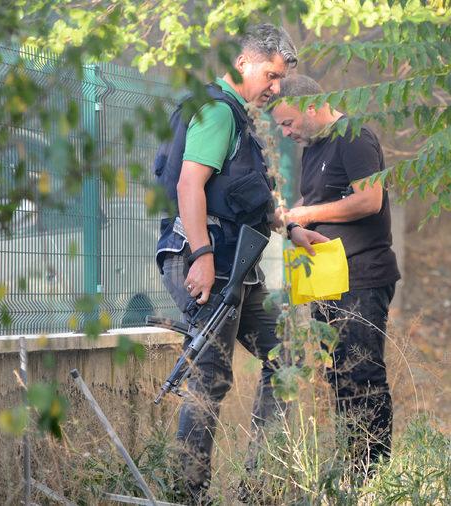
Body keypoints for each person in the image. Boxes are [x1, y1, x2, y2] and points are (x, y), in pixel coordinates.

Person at [155, 26, 327, 502]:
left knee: (286, 357)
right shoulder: (215, 110)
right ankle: (187, 494)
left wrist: (290, 228)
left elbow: (242, 197)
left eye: (280, 78)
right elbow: (191, 187)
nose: (275, 87)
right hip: (206, 258)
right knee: (210, 374)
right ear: (244, 62)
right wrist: (204, 256)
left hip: (238, 264)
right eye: (270, 75)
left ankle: (256, 487)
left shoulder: (237, 116)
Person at [270, 74, 401, 472]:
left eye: (288, 123)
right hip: (325, 280)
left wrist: (308, 213)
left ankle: (373, 474)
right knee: (339, 379)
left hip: (363, 276)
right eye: (281, 127)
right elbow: (314, 196)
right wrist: (291, 217)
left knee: (363, 374)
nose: (286, 132)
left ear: (312, 107)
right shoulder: (313, 147)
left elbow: (369, 200)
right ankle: (351, 468)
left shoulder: (354, 136)